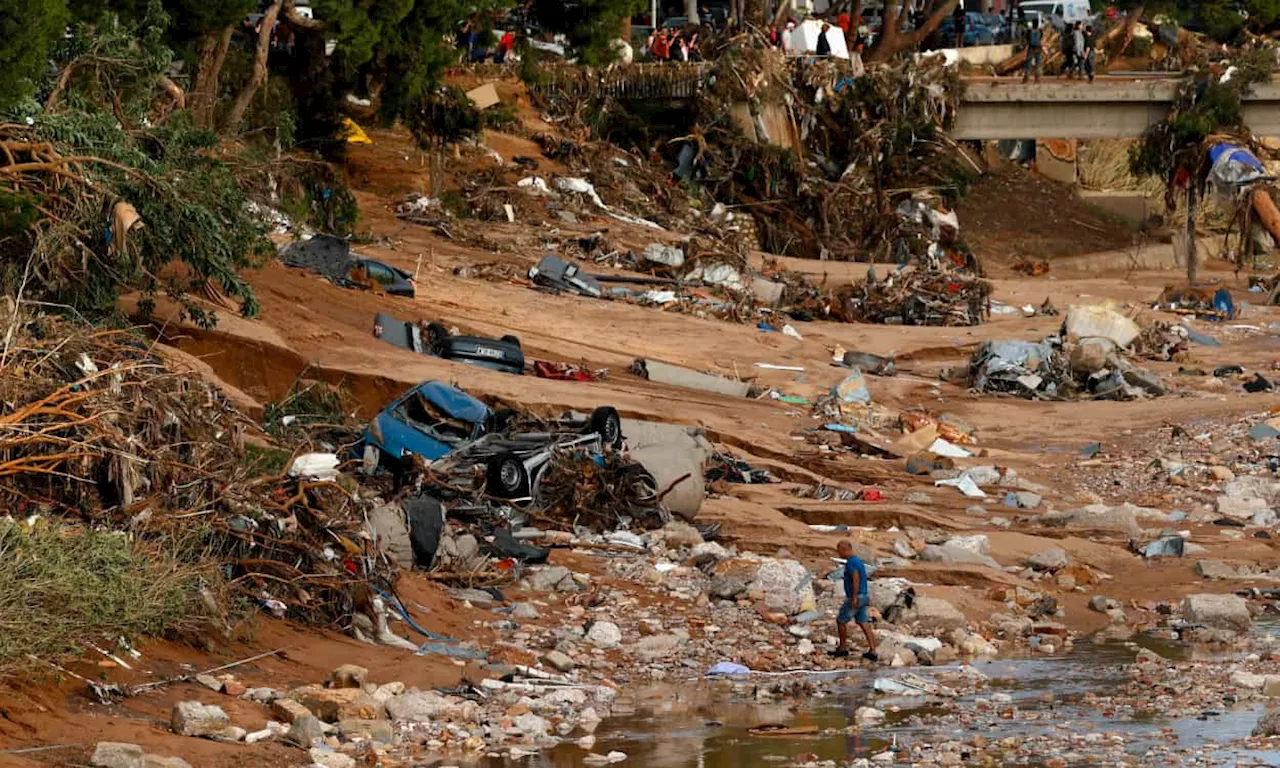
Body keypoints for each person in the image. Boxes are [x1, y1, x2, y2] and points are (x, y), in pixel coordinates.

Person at [831, 540, 878, 661]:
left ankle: (842, 648)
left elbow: (855, 578)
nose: (838, 553)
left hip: (856, 596)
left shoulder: (851, 562)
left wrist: (854, 597)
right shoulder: (858, 561)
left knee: (841, 621)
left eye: (839, 550)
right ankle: (873, 650)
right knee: (863, 622)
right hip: (864, 595)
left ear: (845, 549)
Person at [1022, 17, 1042, 83]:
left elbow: (1026, 39)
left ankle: (1026, 78)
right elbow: (1040, 39)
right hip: (1038, 48)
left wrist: (1025, 46)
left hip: (1031, 48)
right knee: (1038, 63)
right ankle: (1037, 79)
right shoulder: (1040, 31)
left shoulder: (1029, 31)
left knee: (1028, 63)